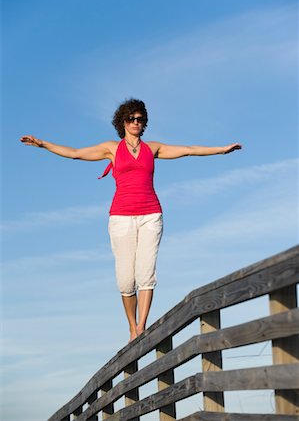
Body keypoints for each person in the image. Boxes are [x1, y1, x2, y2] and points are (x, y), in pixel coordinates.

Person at [20, 98, 242, 342]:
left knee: (146, 273)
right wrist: (42, 144)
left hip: (150, 215)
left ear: (144, 123)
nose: (136, 123)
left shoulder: (153, 148)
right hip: (121, 218)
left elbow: (188, 149)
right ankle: (131, 326)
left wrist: (221, 150)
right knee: (126, 278)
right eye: (131, 119)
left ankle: (141, 327)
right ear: (122, 122)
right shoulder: (112, 149)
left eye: (140, 119)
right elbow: (75, 154)